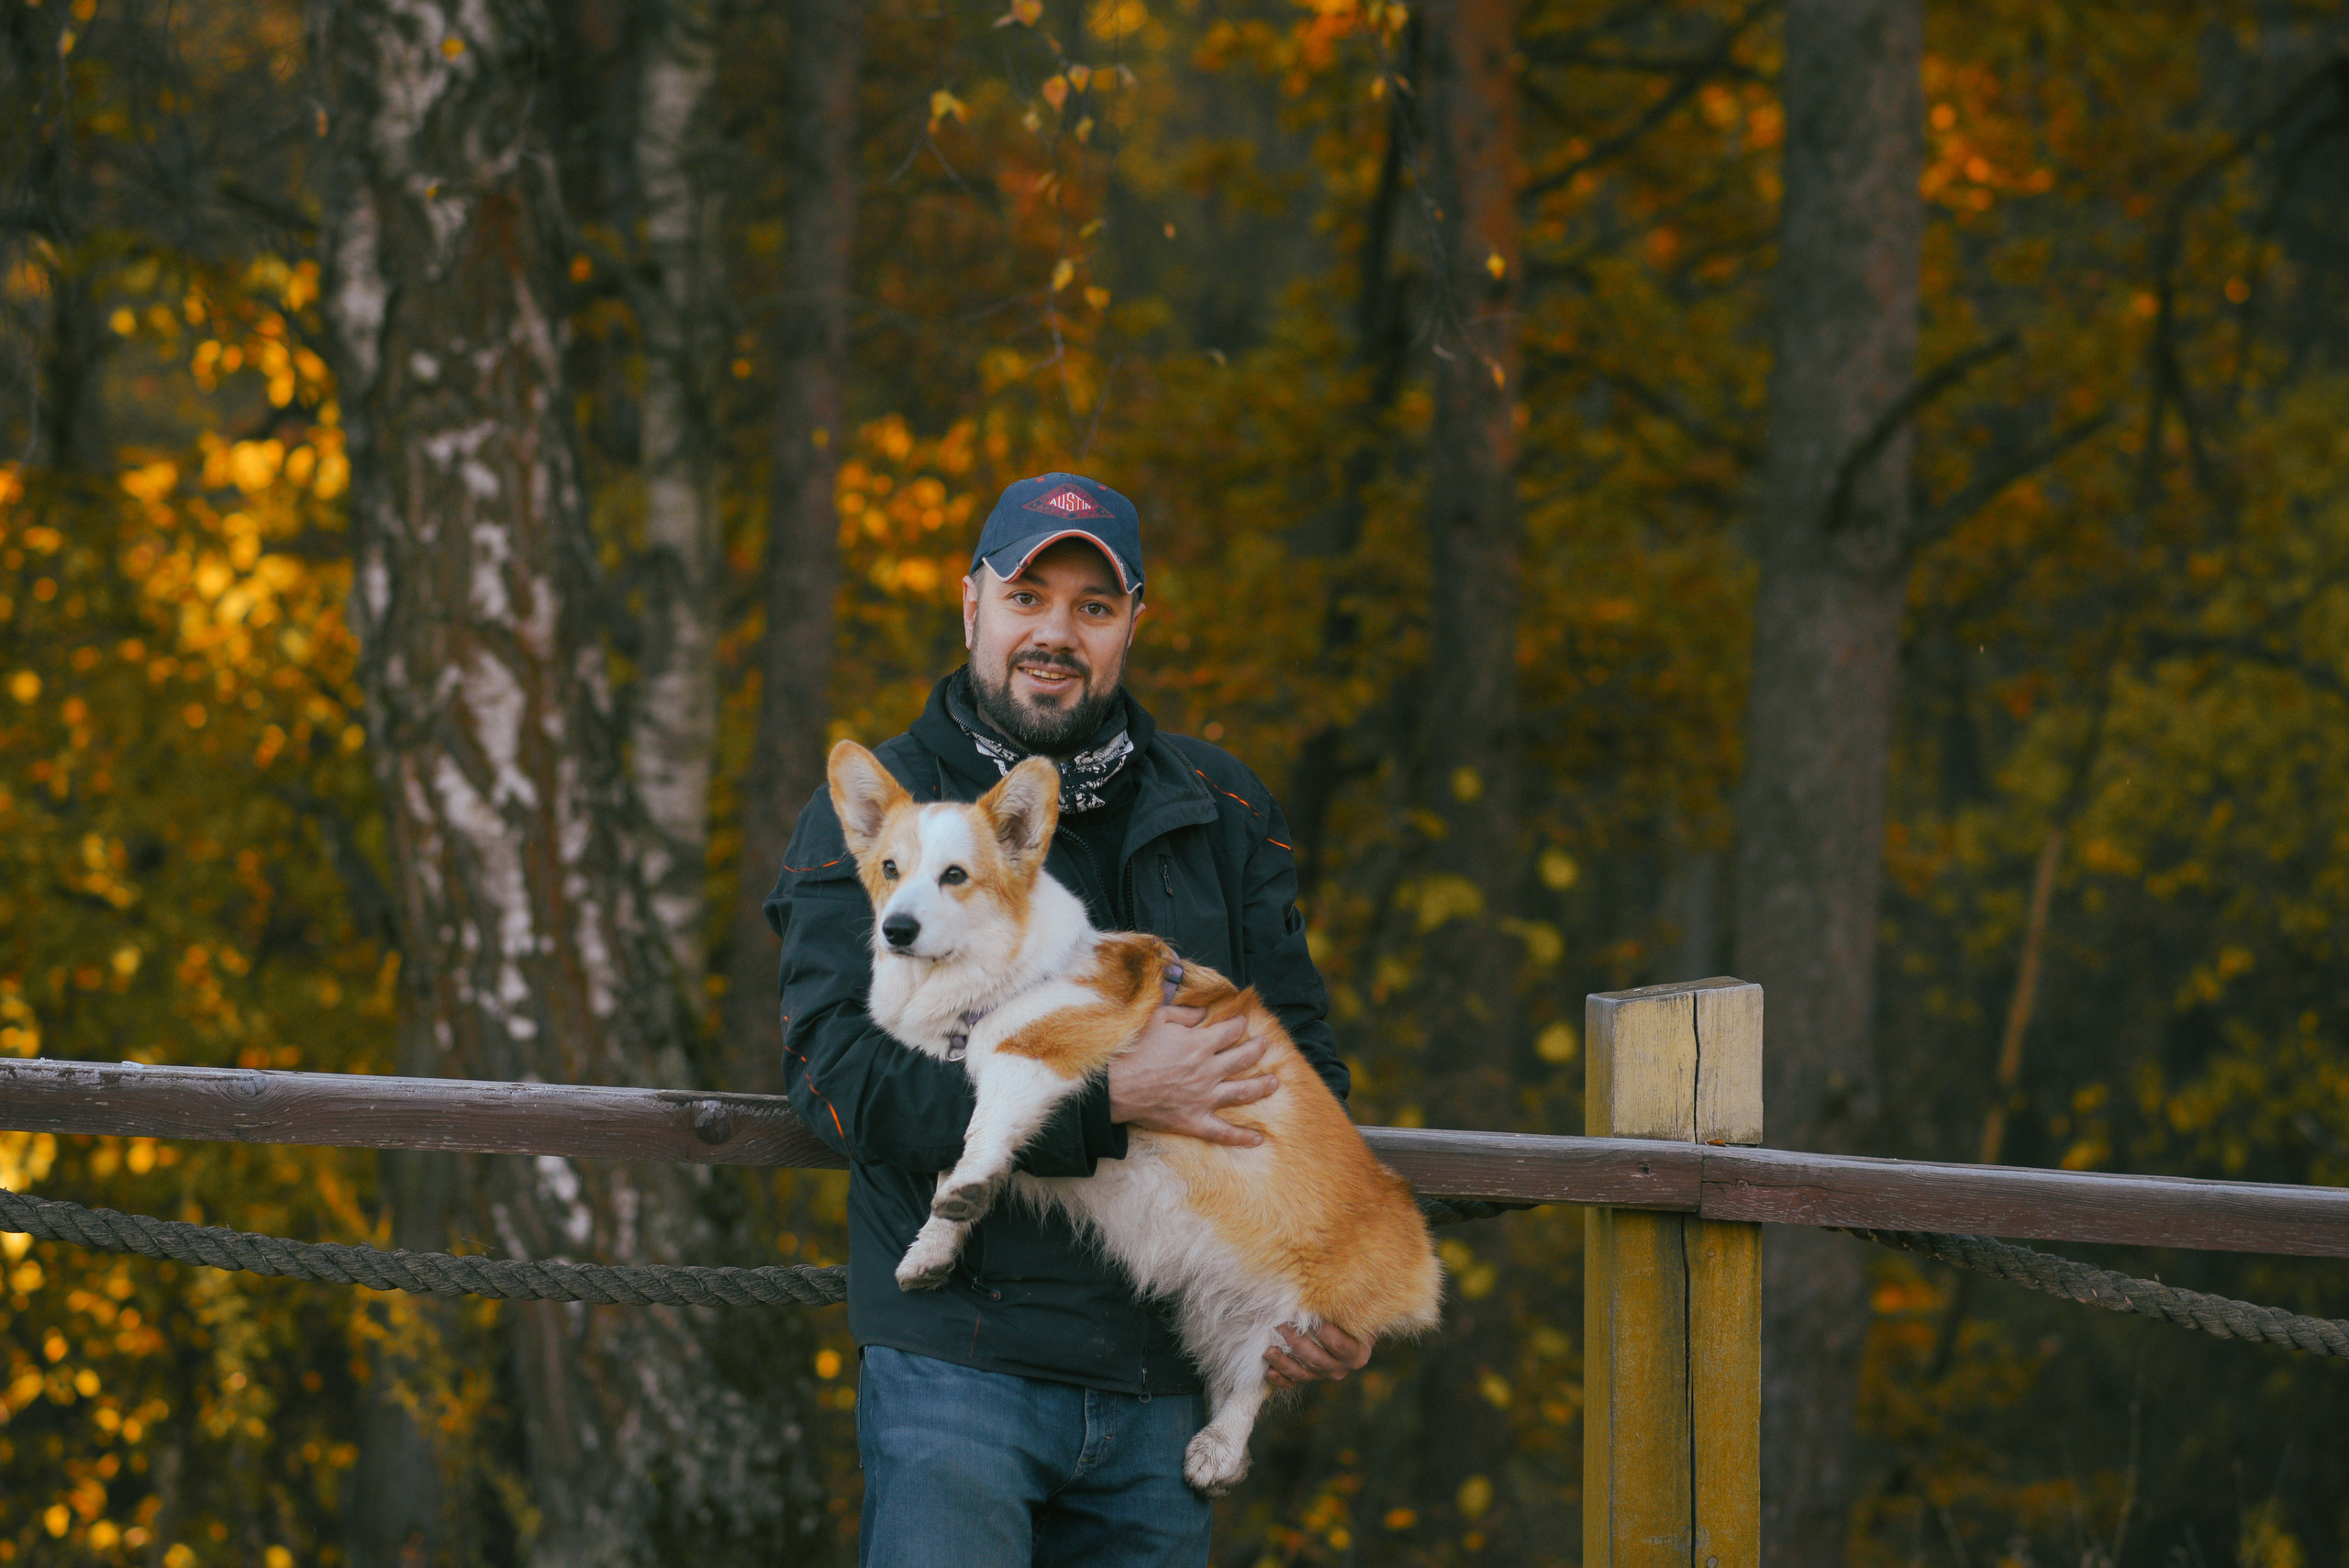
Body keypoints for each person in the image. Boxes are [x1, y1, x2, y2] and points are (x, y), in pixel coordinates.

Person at [763, 473, 1369, 1567]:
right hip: (960, 1368)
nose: (1056, 631)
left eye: (1094, 606)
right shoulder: (884, 808)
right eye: (1028, 595)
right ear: (971, 605)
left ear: (1135, 622)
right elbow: (831, 1070)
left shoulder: (1221, 808)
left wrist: (1322, 1274)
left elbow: (1306, 1072)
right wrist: (1106, 1098)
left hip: (1160, 1383)